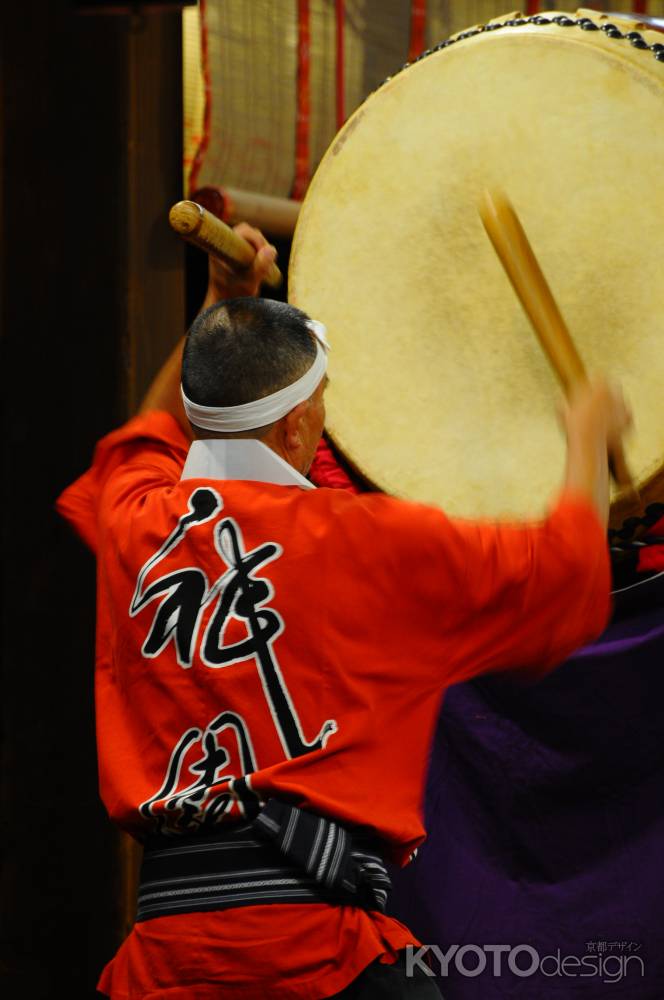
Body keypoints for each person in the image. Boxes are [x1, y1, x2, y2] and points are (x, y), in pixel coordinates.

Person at [57, 223, 631, 999]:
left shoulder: (136, 521)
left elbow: (144, 438)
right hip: (321, 962)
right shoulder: (366, 543)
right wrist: (586, 435)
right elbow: (568, 576)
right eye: (321, 406)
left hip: (165, 966)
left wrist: (223, 302)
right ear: (297, 427)